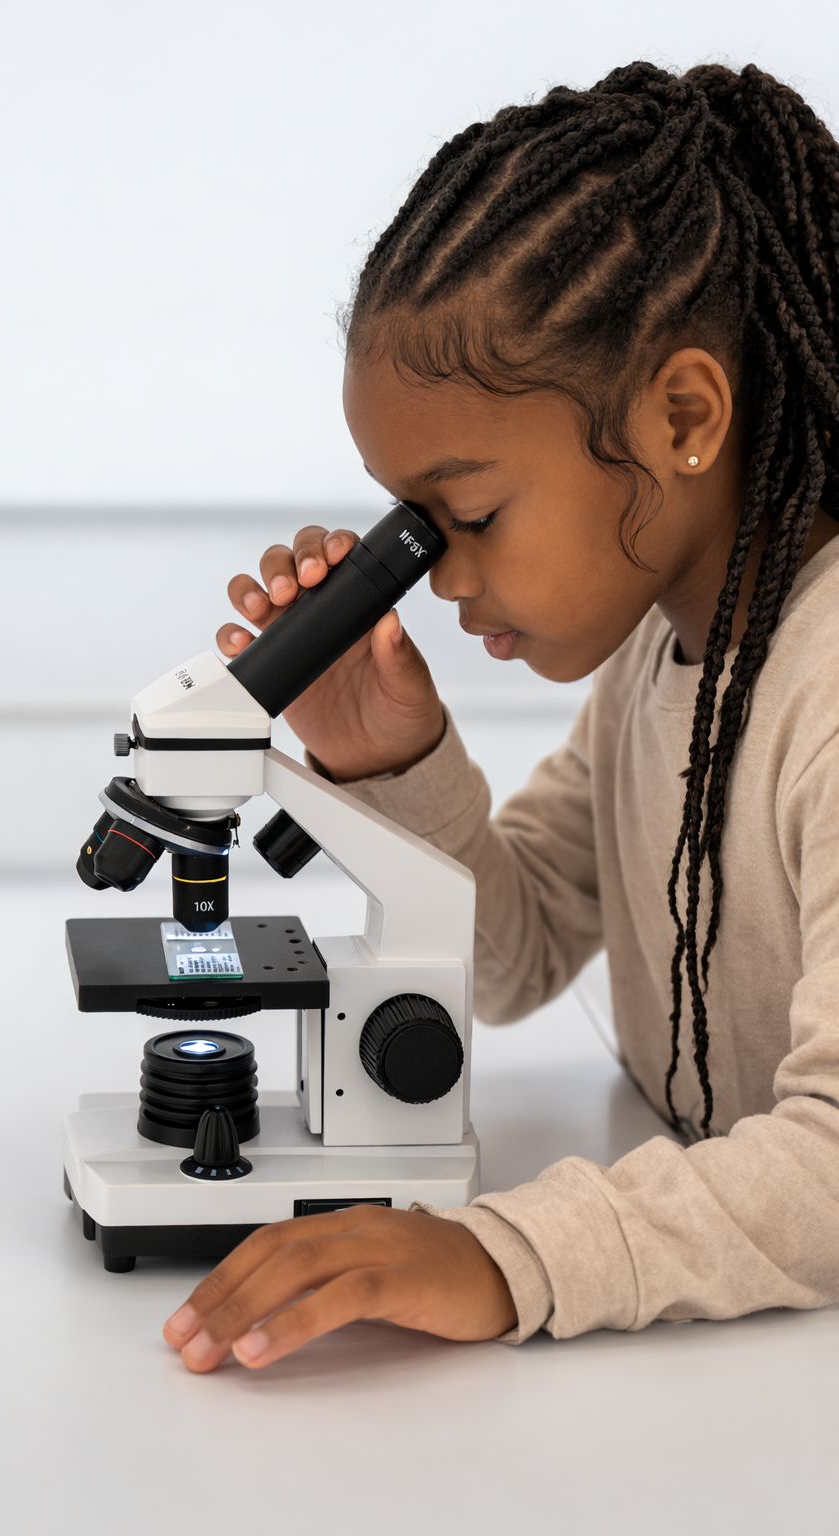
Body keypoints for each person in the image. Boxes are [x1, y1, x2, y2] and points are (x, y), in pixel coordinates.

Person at [164, 62, 839, 1371]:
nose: (443, 576)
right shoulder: (660, 655)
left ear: (684, 416)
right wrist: (391, 761)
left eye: (469, 515)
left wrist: (505, 1253)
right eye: (416, 528)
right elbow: (515, 953)